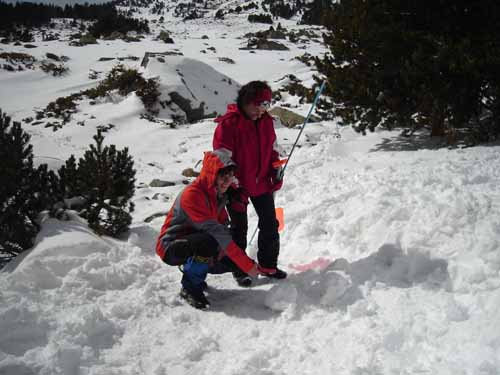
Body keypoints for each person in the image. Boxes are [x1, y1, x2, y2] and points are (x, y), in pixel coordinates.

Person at [155, 149, 261, 309]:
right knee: (209, 242)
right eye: (222, 176)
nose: (227, 181)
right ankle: (190, 288)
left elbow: (224, 228)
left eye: (230, 176)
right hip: (170, 247)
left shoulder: (216, 195)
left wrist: (235, 262)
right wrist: (246, 264)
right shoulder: (193, 195)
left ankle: (197, 272)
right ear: (212, 174)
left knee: (226, 251)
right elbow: (216, 234)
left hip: (193, 240)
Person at [213, 81, 287, 287]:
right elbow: (222, 157)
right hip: (237, 186)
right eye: (257, 104)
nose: (261, 109)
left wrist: (275, 167)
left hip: (262, 183)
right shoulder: (229, 124)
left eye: (265, 104)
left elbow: (273, 148)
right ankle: (239, 268)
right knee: (238, 229)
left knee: (270, 223)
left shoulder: (267, 122)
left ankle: (268, 265)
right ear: (245, 102)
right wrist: (233, 183)